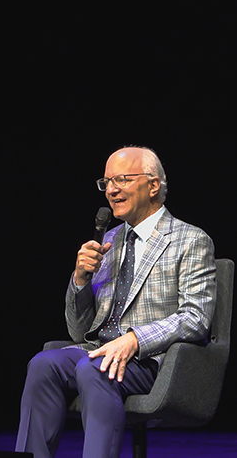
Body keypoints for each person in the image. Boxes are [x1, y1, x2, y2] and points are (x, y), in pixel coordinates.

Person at [16, 146, 216, 458]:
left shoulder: (190, 240)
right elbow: (79, 330)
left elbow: (196, 317)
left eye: (121, 179)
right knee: (43, 365)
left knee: (94, 369)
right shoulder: (109, 241)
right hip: (98, 351)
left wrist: (135, 339)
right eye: (106, 182)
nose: (111, 189)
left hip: (154, 359)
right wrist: (80, 278)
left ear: (152, 185)